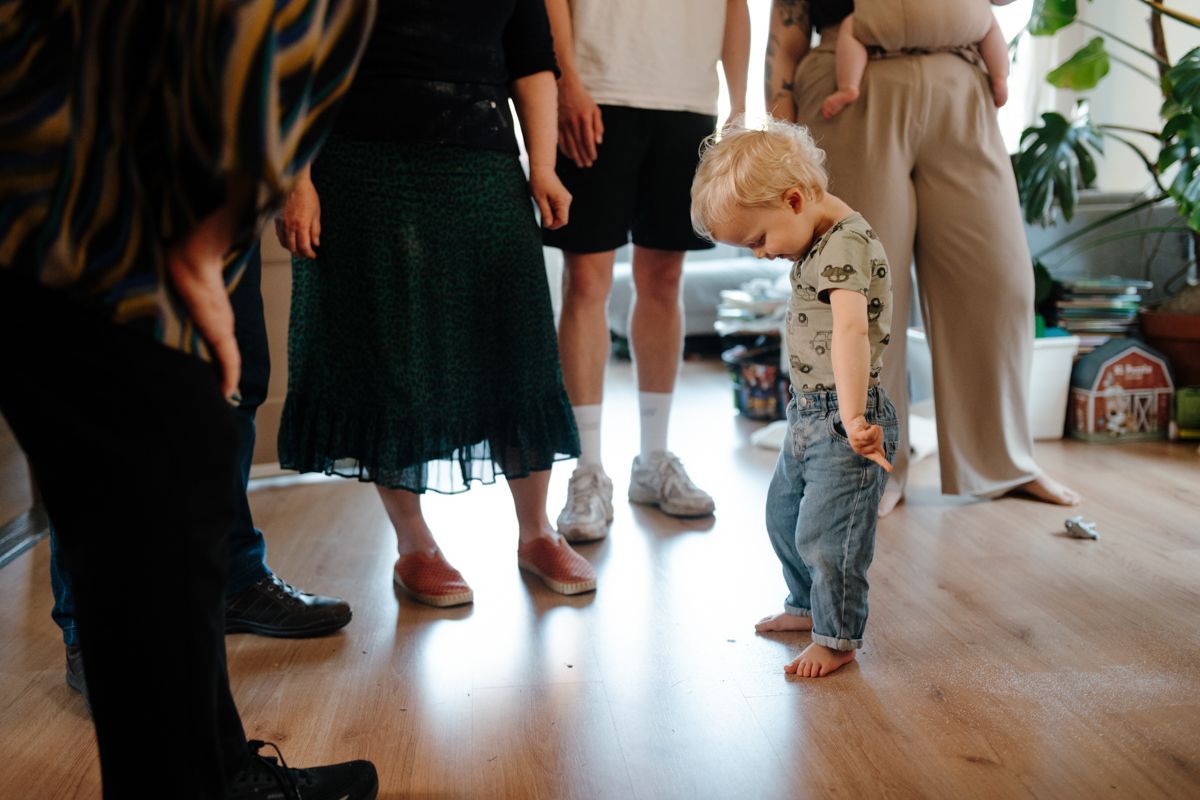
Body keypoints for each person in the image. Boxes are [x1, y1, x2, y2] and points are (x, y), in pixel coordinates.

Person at [0, 2, 379, 798]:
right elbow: (272, 29)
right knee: (157, 506)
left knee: (161, 506)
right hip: (94, 211)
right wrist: (204, 242)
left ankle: (227, 769)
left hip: (61, 185)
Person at [275, 0, 596, 606]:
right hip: (360, 162)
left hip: (483, 158)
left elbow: (532, 59)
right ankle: (414, 545)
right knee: (391, 352)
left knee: (519, 343)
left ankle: (537, 532)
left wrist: (544, 167)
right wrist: (295, 180)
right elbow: (292, 56)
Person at [766, 0, 1080, 515]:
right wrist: (779, 129)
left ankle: (1003, 461)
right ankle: (867, 469)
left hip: (959, 73)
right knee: (855, 291)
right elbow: (789, 16)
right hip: (848, 79)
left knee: (1000, 283)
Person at [49, 247, 353, 706]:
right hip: (107, 214)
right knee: (98, 399)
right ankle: (92, 631)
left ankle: (233, 579)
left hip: (221, 216)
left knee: (234, 380)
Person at [691, 118, 898, 677]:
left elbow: (851, 331)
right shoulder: (819, 235)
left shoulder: (846, 245)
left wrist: (853, 415)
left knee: (831, 537)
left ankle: (837, 637)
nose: (760, 255)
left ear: (794, 200)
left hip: (843, 417)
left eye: (758, 240)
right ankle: (807, 607)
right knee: (784, 516)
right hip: (808, 413)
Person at [541, 0, 751, 541]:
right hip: (597, 90)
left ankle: (653, 461)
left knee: (664, 280)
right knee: (586, 281)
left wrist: (739, 104)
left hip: (687, 99)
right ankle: (588, 470)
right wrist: (567, 80)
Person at [821, 2, 1009, 118]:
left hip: (896, 12)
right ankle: (999, 77)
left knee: (853, 30)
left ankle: (848, 86)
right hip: (960, 12)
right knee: (990, 28)